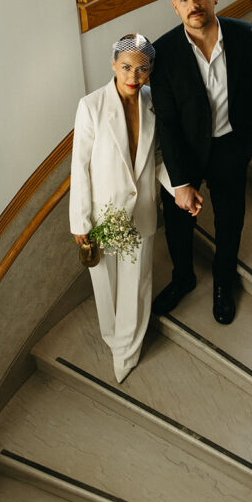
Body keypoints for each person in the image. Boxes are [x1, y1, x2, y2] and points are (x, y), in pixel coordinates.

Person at [150, 0, 252, 324]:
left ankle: (223, 284)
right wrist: (180, 182)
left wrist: (251, 145)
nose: (194, 5)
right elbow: (168, 122)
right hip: (185, 154)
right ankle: (183, 278)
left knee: (230, 221)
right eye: (185, 0)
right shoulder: (164, 52)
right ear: (175, 7)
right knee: (177, 225)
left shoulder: (248, 36)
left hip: (231, 148)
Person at [70, 33, 170, 382]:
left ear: (149, 71)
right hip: (101, 214)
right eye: (126, 67)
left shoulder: (154, 104)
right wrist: (80, 221)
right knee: (105, 283)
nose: (133, 76)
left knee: (138, 283)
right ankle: (112, 337)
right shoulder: (91, 106)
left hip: (141, 209)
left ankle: (127, 350)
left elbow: (157, 158)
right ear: (113, 65)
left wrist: (179, 189)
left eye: (141, 69)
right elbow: (79, 167)